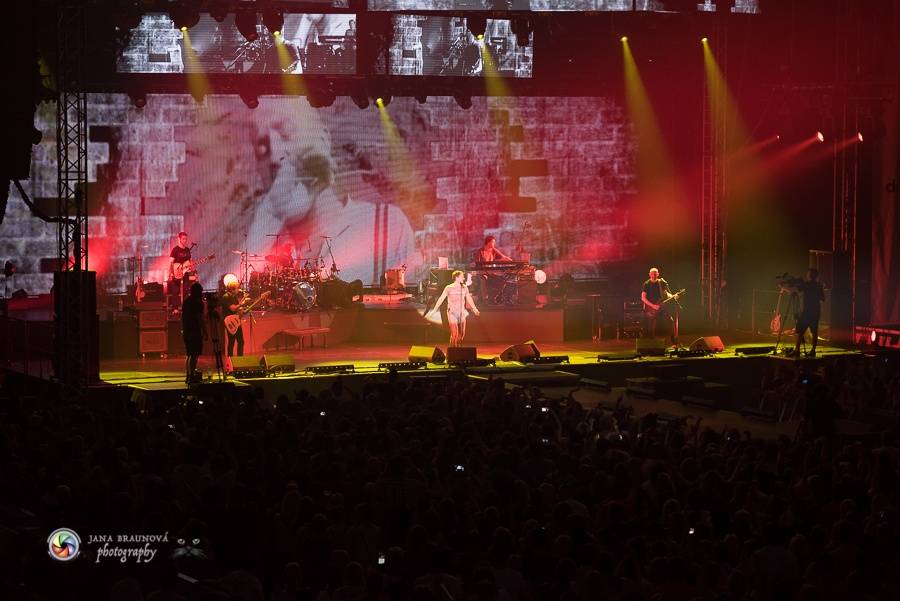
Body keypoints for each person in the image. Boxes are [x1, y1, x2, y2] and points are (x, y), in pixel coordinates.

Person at [242, 103, 421, 286]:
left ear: (323, 140)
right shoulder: (264, 247)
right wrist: (268, 217)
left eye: (287, 134)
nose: (274, 157)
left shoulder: (386, 224)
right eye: (262, 148)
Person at [425, 270, 480, 347]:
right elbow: (441, 299)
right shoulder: (449, 288)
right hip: (452, 313)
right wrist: (434, 310)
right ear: (457, 277)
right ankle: (452, 350)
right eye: (462, 276)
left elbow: (469, 298)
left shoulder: (464, 287)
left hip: (461, 313)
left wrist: (474, 308)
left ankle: (457, 350)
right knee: (455, 333)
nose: (464, 278)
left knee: (462, 334)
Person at [792, 268, 825, 357]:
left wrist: (784, 287)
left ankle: (797, 350)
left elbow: (796, 290)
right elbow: (823, 298)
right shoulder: (819, 286)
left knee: (800, 331)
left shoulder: (806, 284)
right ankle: (813, 350)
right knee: (814, 332)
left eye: (808, 273)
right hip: (815, 311)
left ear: (809, 275)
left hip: (806, 311)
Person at [181, 282, 207, 383]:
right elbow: (200, 318)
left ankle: (188, 375)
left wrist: (183, 328)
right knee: (194, 355)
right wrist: (205, 332)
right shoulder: (198, 303)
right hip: (195, 331)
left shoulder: (186, 301)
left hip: (187, 330)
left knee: (189, 355)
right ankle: (192, 375)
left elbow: (183, 317)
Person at [641, 267, 674, 340]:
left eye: (655, 274)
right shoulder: (646, 284)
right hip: (651, 307)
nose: (654, 275)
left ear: (658, 274)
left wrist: (673, 296)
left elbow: (666, 293)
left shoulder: (661, 282)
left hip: (661, 305)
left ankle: (673, 340)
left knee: (670, 320)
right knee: (652, 323)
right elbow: (643, 298)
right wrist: (653, 306)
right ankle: (651, 341)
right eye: (652, 274)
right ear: (649, 274)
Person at [221, 276, 245, 357]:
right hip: (230, 322)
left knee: (240, 341)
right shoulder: (226, 297)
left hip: (236, 321)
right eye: (237, 288)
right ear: (231, 289)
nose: (238, 290)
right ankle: (230, 361)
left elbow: (237, 309)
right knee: (231, 342)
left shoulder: (234, 297)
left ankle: (240, 360)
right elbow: (232, 308)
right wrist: (240, 304)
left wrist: (243, 309)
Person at [169, 231, 193, 309]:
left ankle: (185, 308)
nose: (185, 241)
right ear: (179, 239)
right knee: (175, 291)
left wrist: (192, 267)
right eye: (183, 239)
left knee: (186, 291)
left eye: (186, 239)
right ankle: (175, 309)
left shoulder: (187, 250)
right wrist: (172, 273)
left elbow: (190, 261)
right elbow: (171, 263)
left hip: (185, 273)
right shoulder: (175, 250)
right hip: (176, 273)